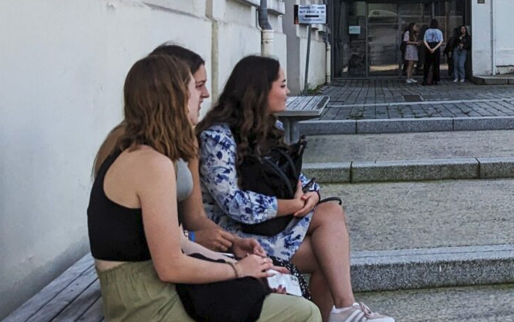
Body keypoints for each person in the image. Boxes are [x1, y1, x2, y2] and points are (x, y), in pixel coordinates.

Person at [90, 54, 318, 322]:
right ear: (174, 98)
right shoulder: (151, 163)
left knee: (279, 296)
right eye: (194, 88)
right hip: (148, 304)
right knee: (302, 314)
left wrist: (237, 258)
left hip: (157, 289)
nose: (203, 96)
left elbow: (180, 243)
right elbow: (170, 266)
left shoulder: (146, 154)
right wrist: (239, 271)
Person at [199, 56, 394, 322]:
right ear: (260, 91)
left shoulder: (270, 127)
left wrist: (312, 195)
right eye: (282, 85)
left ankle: (344, 310)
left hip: (267, 224)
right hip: (234, 235)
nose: (288, 91)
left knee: (329, 213)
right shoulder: (217, 137)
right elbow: (233, 202)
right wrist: (291, 206)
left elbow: (293, 176)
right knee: (326, 255)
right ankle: (344, 310)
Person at [421, 19, 444, 86]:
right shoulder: (439, 31)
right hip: (436, 47)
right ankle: (436, 79)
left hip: (428, 46)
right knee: (436, 65)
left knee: (427, 65)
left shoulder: (427, 31)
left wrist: (429, 48)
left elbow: (424, 40)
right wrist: (434, 48)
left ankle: (425, 79)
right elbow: (441, 41)